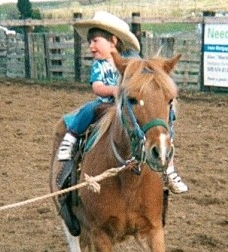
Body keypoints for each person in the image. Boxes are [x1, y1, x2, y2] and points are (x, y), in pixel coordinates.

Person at [56, 11, 188, 194]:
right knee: (89, 110)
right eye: (90, 42)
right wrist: (114, 90)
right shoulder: (99, 65)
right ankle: (70, 139)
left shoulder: (132, 62)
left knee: (161, 121)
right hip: (107, 102)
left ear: (113, 41)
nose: (91, 47)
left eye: (95, 41)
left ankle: (169, 168)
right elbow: (97, 87)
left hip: (128, 104)